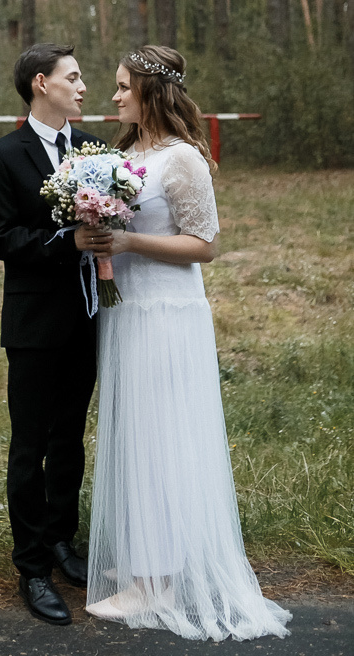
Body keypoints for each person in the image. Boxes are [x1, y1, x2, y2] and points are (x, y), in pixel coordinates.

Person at [85, 45, 291, 641]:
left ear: (150, 92)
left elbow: (204, 244)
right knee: (136, 436)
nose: (115, 96)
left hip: (168, 316)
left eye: (123, 87)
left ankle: (158, 586)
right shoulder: (123, 155)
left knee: (162, 437)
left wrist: (127, 246)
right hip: (127, 314)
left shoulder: (182, 161)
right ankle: (149, 560)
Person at [0, 43, 112, 627]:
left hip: (86, 317)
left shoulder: (92, 151)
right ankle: (31, 567)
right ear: (41, 84)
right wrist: (67, 243)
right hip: (33, 324)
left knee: (70, 440)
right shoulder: (2, 156)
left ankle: (61, 542)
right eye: (74, 78)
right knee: (29, 446)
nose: (83, 88)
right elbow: (2, 239)